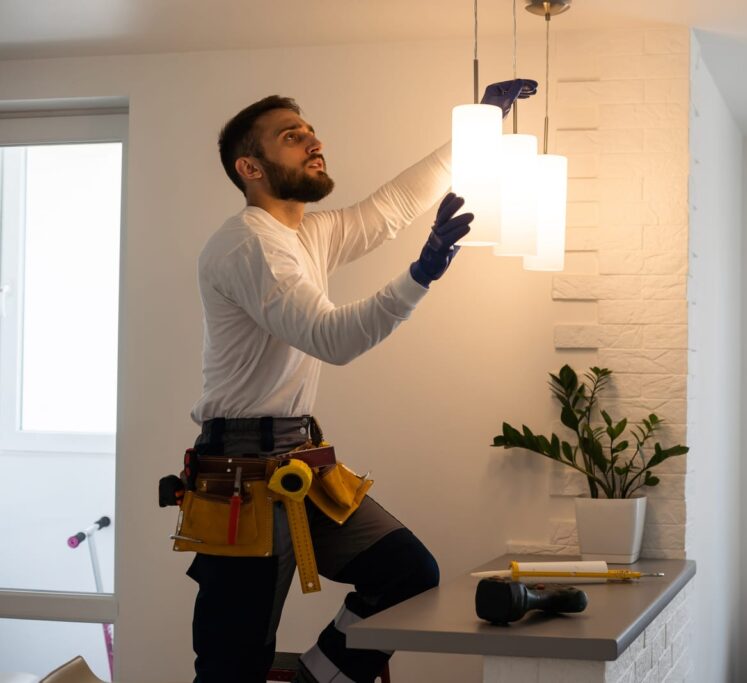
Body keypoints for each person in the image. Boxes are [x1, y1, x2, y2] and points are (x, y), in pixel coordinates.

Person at [186, 80, 537, 683]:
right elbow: (334, 339)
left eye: (309, 130)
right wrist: (420, 275)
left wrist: (476, 126)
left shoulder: (305, 234)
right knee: (232, 662)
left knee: (406, 574)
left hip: (297, 457)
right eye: (291, 137)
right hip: (241, 475)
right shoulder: (249, 244)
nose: (313, 141)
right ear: (251, 167)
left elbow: (393, 206)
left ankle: (315, 679)